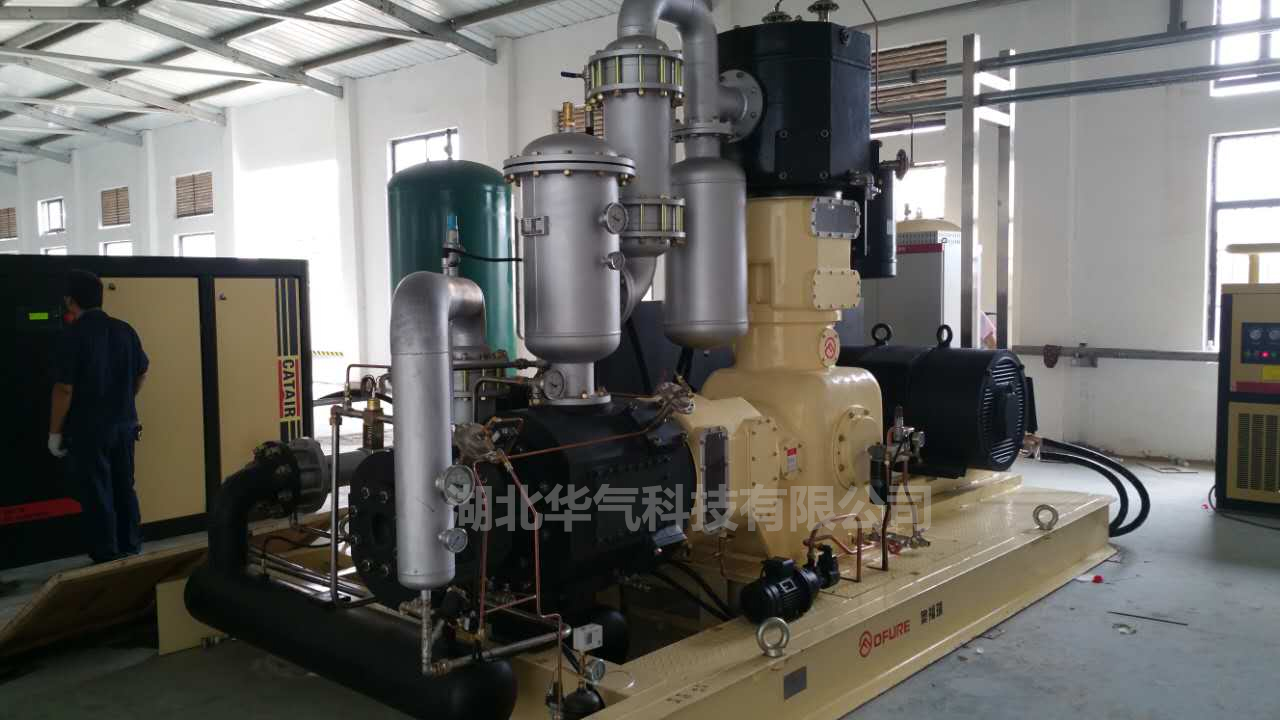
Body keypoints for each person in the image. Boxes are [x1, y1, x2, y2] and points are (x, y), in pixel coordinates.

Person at [48, 270, 149, 564]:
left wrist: (54, 433)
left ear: (70, 301)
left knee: (97, 490)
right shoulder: (124, 330)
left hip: (90, 429)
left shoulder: (72, 335)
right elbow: (141, 372)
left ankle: (107, 554)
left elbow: (64, 388)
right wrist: (124, 400)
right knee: (124, 485)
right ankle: (131, 545)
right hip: (125, 425)